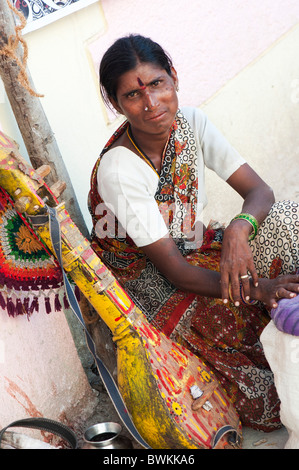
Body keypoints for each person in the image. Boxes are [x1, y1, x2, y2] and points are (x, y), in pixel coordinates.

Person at [88, 34, 299, 432]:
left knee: (290, 222)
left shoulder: (193, 123)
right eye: (133, 95)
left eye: (156, 84)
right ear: (117, 104)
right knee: (263, 383)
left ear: (174, 79)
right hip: (154, 283)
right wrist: (261, 288)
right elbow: (175, 272)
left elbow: (260, 192)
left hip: (198, 244)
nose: (151, 103)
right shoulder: (119, 169)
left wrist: (239, 229)